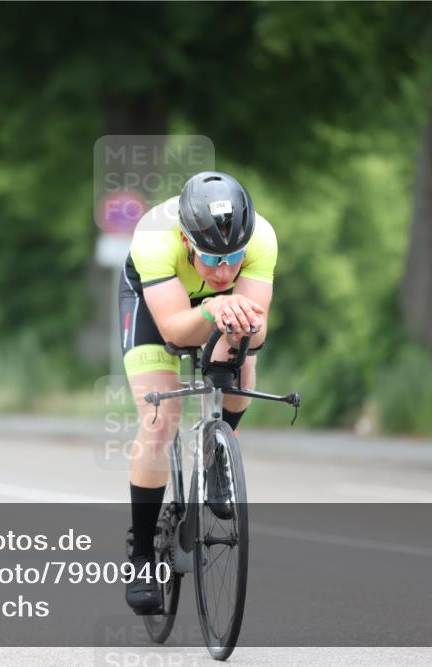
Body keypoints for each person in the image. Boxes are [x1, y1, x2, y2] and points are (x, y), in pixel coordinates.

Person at [117, 171, 276, 613]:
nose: (225, 270)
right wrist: (211, 306)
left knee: (242, 352)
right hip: (156, 302)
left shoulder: (262, 236)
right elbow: (174, 329)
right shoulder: (155, 237)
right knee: (159, 418)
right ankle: (143, 555)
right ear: (188, 242)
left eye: (235, 257)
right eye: (211, 258)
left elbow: (257, 334)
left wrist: (240, 324)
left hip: (212, 309)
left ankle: (220, 450)